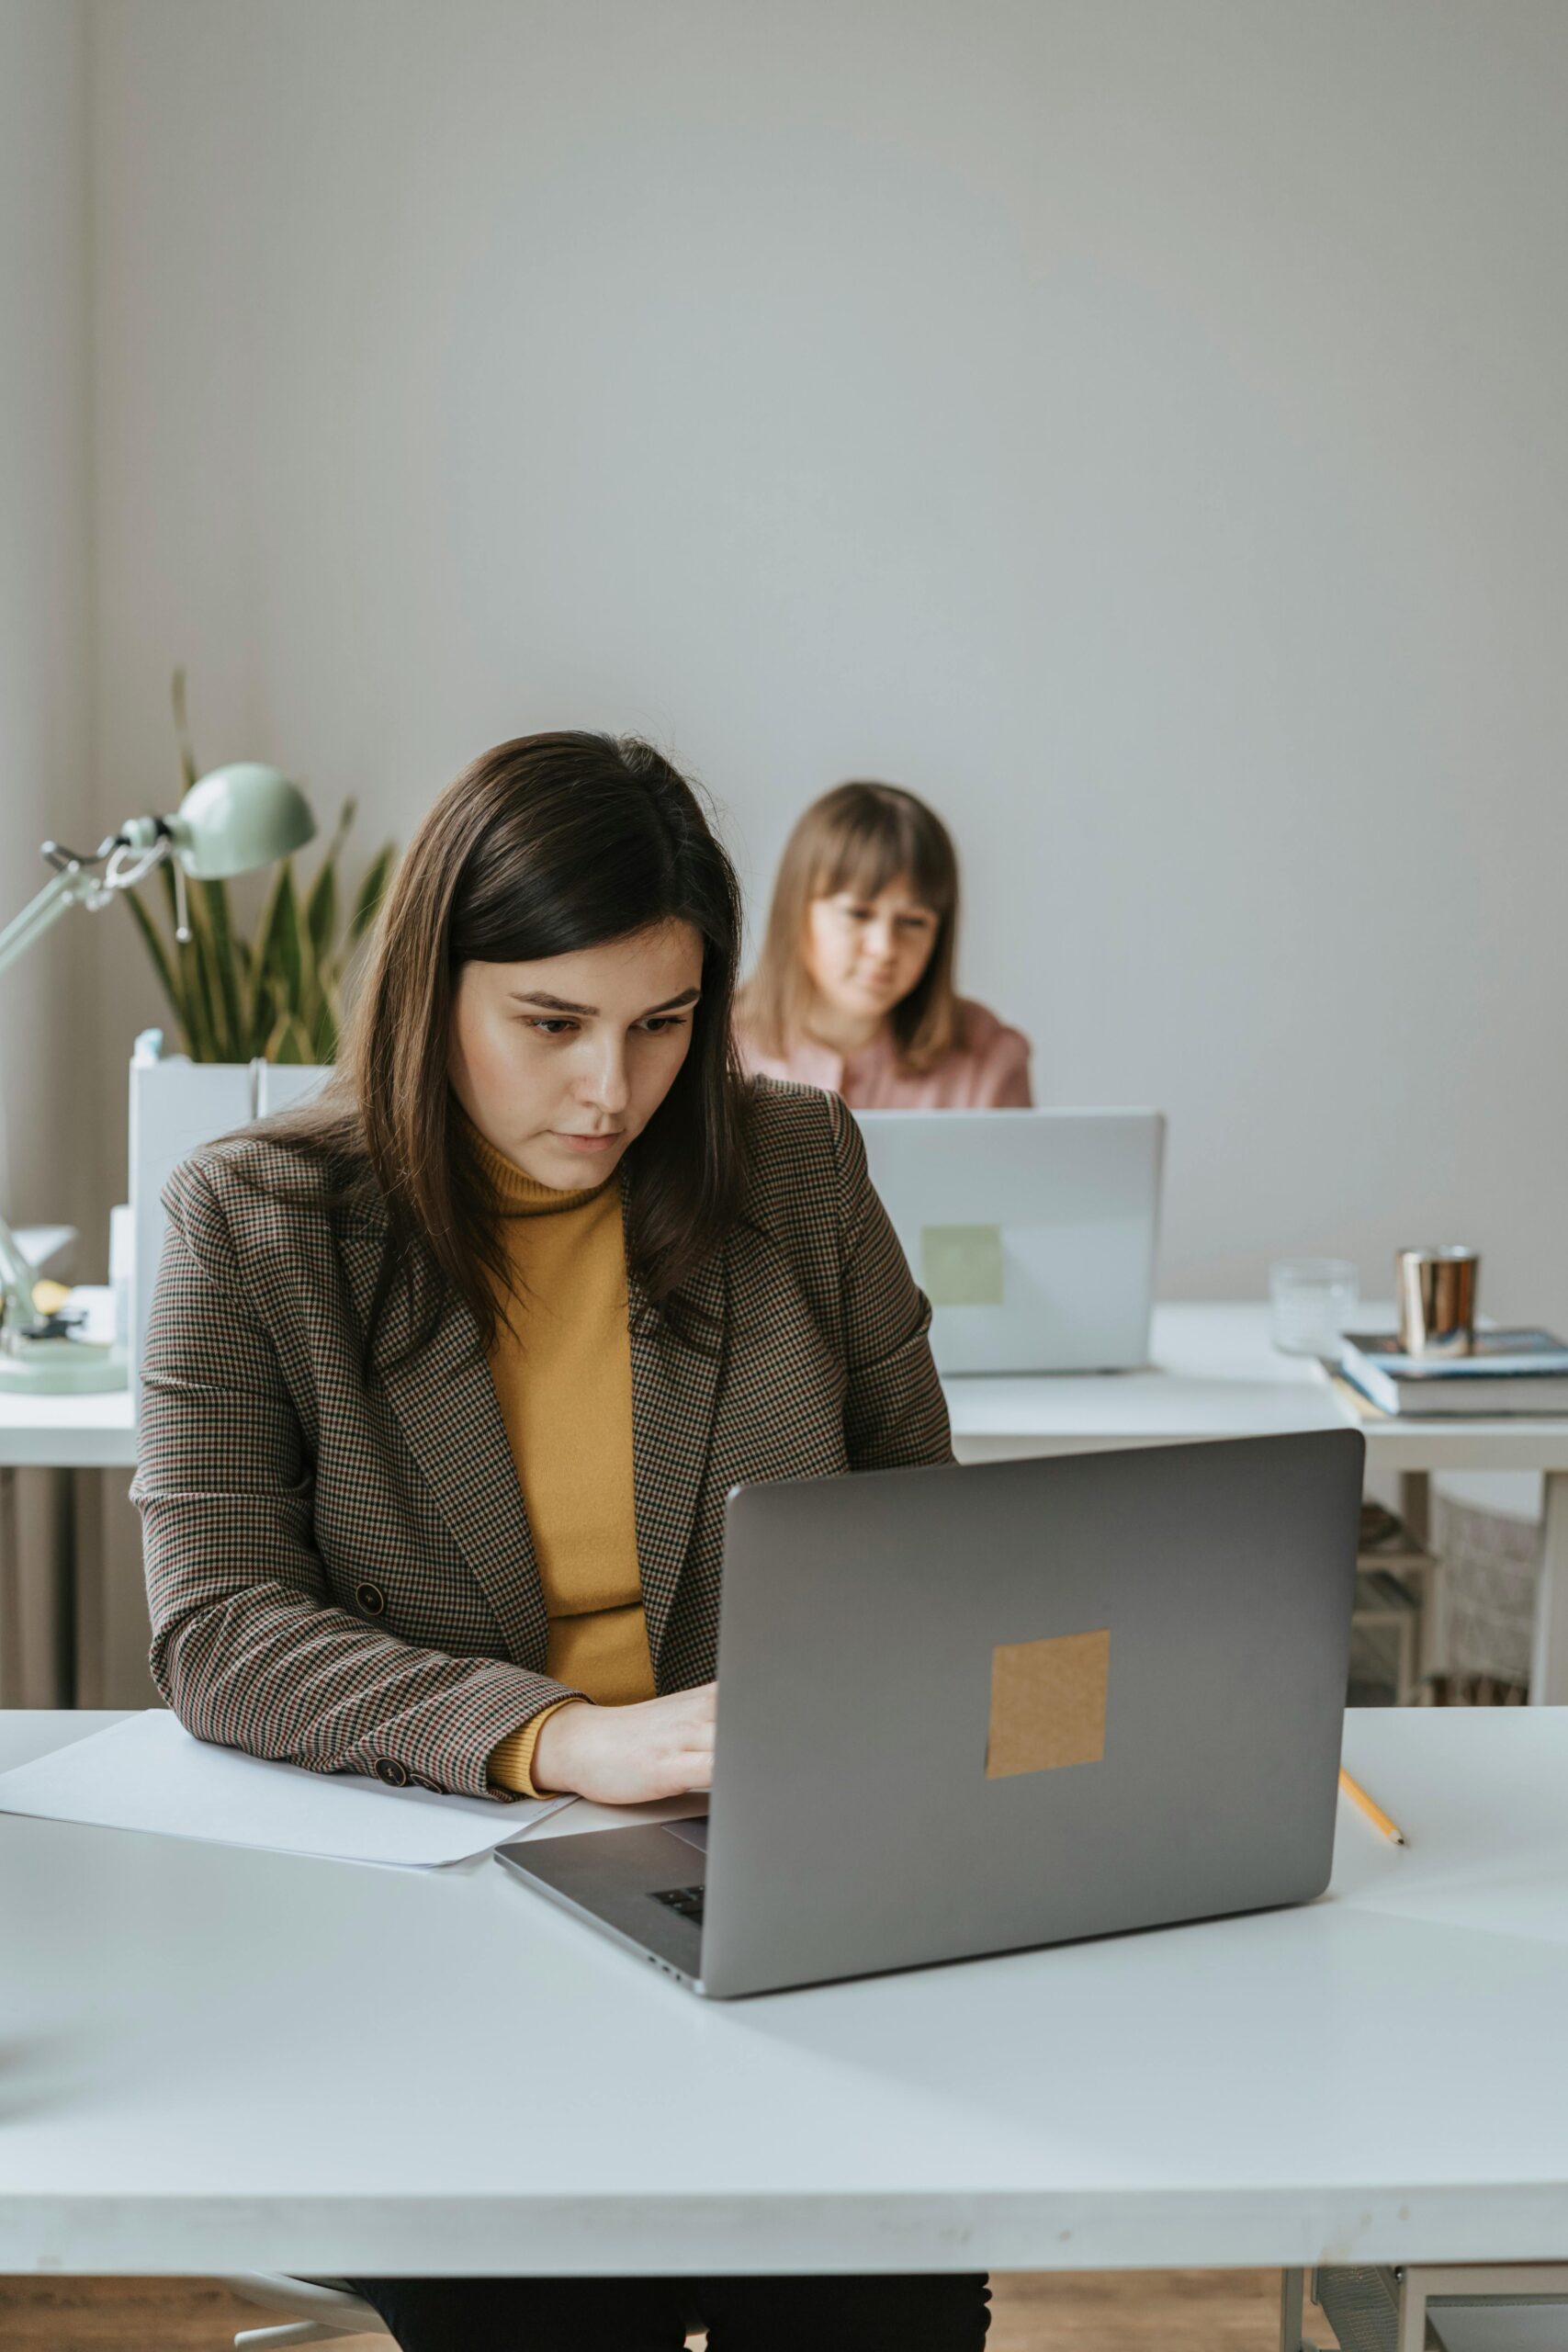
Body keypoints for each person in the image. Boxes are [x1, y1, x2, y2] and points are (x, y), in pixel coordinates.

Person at [132, 731, 990, 2352]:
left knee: (887, 2312)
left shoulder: (793, 1171)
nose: (613, 1090)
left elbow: (917, 1528)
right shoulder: (250, 1224)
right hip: (453, 1916)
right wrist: (559, 1738)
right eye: (550, 1025)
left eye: (663, 1024)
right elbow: (219, 1626)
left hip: (768, 1895)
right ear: (429, 991)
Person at [736, 780, 1032, 1109]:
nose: (884, 948)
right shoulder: (714, 1048)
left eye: (913, 921)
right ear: (795, 908)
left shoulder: (988, 1056)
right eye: (858, 913)